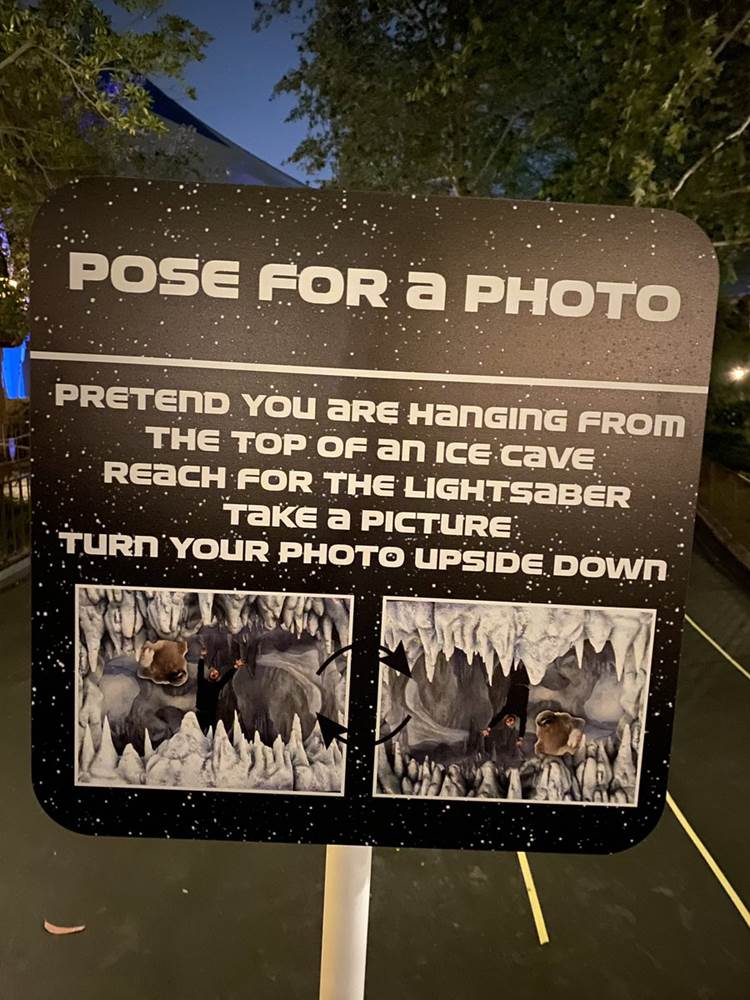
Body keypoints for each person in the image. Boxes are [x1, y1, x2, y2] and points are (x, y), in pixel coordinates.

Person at [480, 662, 530, 749]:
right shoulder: (521, 714)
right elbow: (523, 725)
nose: (509, 721)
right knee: (527, 662)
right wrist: (520, 738)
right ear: (514, 722)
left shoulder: (507, 710)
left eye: (507, 722)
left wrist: (488, 728)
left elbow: (497, 718)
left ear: (506, 718)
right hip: (524, 683)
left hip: (515, 681)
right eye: (511, 723)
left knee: (514, 660)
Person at [195, 649, 242, 734]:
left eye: (216, 674)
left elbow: (226, 677)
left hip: (211, 714)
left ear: (217, 677)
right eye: (213, 672)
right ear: (210, 673)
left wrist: (235, 667)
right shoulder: (202, 682)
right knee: (197, 734)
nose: (214, 674)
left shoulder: (217, 686)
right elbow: (200, 671)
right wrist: (202, 657)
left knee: (212, 736)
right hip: (200, 713)